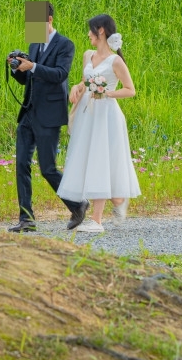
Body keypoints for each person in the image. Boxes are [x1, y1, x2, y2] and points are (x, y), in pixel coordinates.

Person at [6, 2, 90, 233]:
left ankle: (78, 204)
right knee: (21, 164)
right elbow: (28, 79)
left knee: (48, 168)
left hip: (50, 114)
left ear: (49, 20)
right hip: (28, 112)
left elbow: (60, 75)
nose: (32, 27)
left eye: (36, 23)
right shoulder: (34, 43)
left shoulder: (65, 45)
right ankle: (26, 219)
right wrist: (16, 69)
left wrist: (32, 66)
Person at [57, 14, 140, 233]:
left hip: (106, 116)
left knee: (101, 161)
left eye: (91, 30)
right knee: (90, 160)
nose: (88, 35)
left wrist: (107, 92)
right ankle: (119, 200)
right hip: (88, 115)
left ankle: (97, 220)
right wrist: (77, 87)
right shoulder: (88, 55)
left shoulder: (116, 61)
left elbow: (130, 90)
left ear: (100, 30)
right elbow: (86, 81)